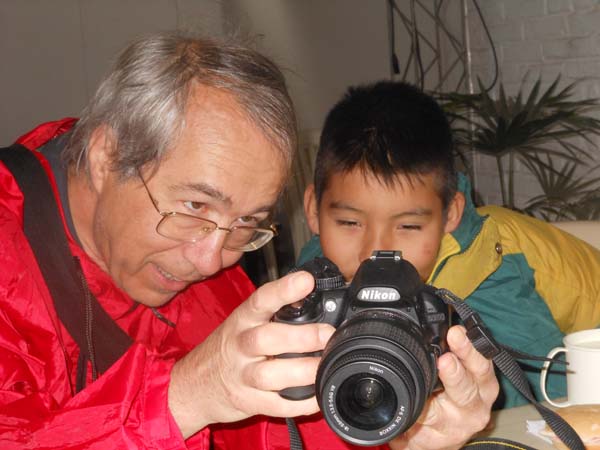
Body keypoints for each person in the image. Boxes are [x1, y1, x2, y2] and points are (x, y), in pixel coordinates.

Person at [0, 32, 498, 450]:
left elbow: (274, 429)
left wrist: (399, 426)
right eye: (194, 207)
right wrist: (188, 395)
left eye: (247, 224)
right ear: (107, 155)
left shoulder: (209, 273)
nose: (210, 259)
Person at [299, 80, 600, 411]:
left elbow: (551, 392)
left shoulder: (494, 277)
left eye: (409, 226)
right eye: (349, 223)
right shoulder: (313, 276)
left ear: (450, 215)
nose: (374, 252)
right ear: (314, 210)